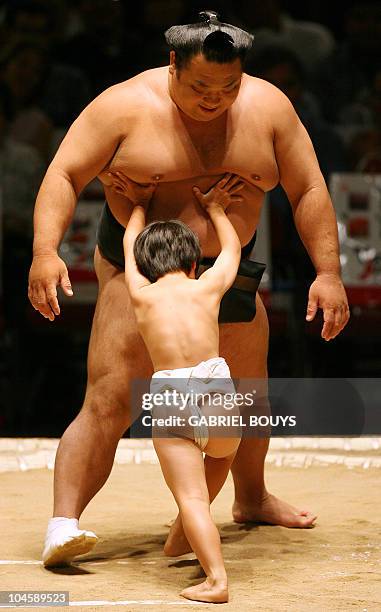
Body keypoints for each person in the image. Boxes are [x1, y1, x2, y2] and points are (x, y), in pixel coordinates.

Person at [29, 10, 349, 567]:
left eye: (228, 86)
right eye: (201, 86)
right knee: (109, 398)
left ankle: (250, 498)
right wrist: (44, 252)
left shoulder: (269, 107)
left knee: (248, 395)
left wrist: (327, 272)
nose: (214, 99)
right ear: (172, 65)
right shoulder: (123, 106)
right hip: (143, 266)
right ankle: (64, 522)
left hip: (227, 263)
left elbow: (308, 188)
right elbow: (63, 174)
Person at [123, 173, 244, 603]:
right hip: (216, 388)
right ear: (195, 263)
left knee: (191, 497)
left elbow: (128, 249)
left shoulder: (141, 293)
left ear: (144, 266)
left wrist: (138, 206)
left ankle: (215, 578)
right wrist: (215, 210)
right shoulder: (207, 287)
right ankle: (183, 540)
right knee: (223, 453)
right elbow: (232, 251)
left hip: (170, 395)